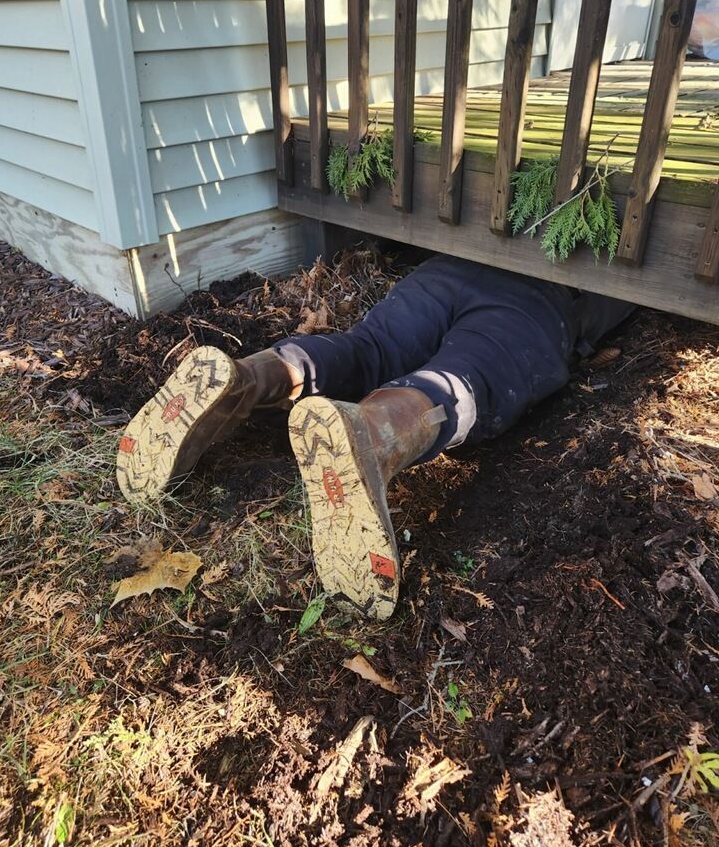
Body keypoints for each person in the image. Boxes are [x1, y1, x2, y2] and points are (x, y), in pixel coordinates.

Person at [116, 256, 632, 621]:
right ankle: (369, 433)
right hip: (544, 298)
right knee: (465, 379)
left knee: (368, 348)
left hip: (447, 268)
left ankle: (248, 378)